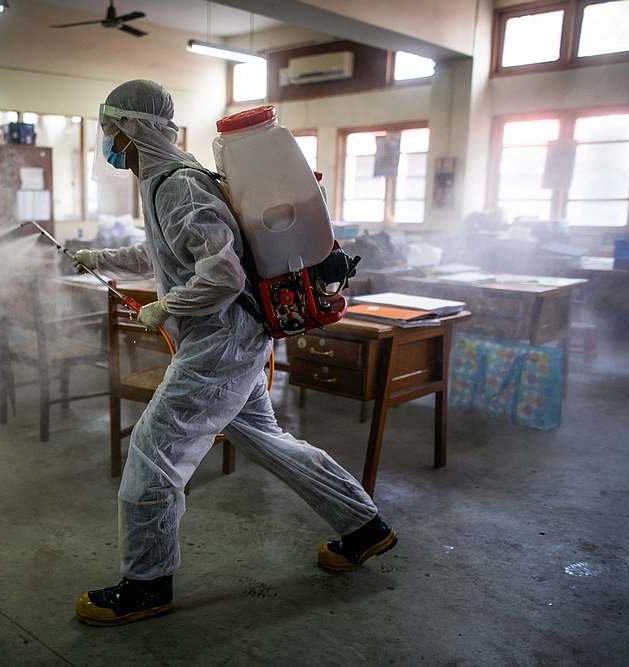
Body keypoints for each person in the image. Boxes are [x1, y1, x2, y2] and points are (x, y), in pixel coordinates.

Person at [73, 80, 397, 627]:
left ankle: (147, 584)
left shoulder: (179, 186)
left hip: (221, 347)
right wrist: (100, 256)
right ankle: (365, 525)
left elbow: (222, 276)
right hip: (232, 343)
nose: (109, 146)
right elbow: (164, 249)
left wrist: (164, 306)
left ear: (133, 130)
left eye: (111, 133)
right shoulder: (164, 181)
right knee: (268, 441)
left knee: (153, 455)